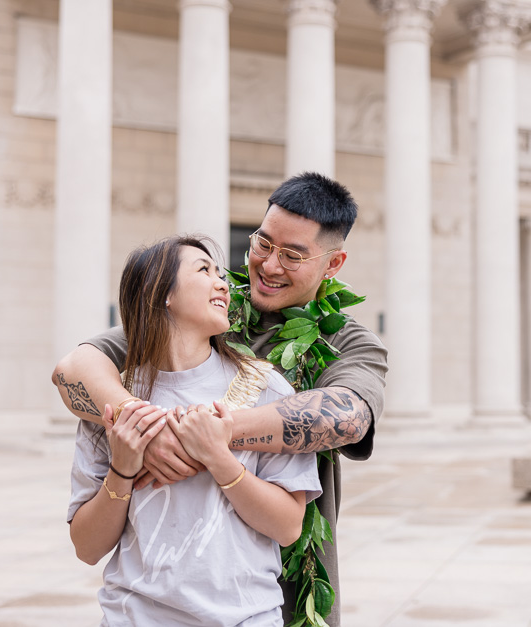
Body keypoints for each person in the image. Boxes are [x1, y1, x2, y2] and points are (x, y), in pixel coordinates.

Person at [53, 172, 388, 627]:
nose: (269, 266)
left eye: (292, 255)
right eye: (263, 244)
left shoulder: (348, 344)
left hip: (280, 596)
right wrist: (142, 430)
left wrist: (212, 435)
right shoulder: (209, 310)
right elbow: (73, 369)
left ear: (333, 264)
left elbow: (348, 417)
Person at [68, 234, 322, 626]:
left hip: (245, 618)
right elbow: (87, 547)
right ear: (161, 293)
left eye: (219, 272)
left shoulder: (266, 389)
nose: (223, 283)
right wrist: (122, 467)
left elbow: (288, 527)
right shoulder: (115, 400)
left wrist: (221, 460)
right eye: (204, 270)